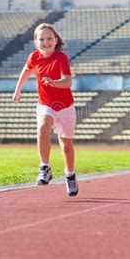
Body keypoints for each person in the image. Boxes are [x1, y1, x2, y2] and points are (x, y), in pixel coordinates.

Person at [12, 23, 78, 196]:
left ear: (55, 40)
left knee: (66, 147)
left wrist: (54, 83)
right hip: (45, 105)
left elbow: (68, 82)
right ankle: (45, 167)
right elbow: (26, 71)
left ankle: (70, 175)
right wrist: (18, 89)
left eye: (49, 38)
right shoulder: (33, 57)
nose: (46, 42)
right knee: (42, 128)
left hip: (65, 108)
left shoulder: (60, 58)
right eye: (41, 39)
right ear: (36, 42)